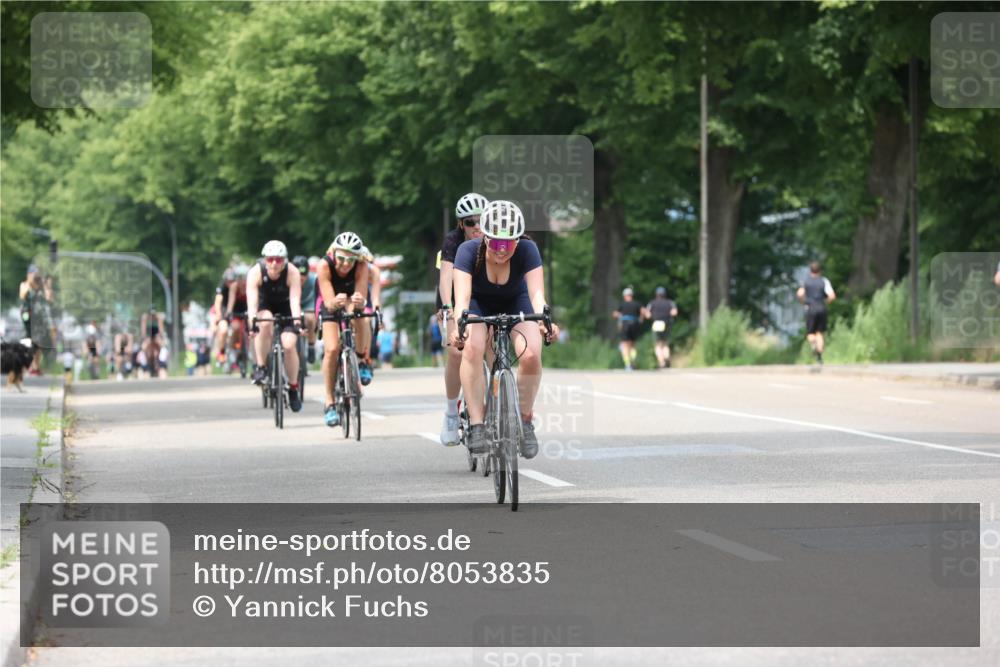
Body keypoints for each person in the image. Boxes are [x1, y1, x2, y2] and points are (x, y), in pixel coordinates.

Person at [451, 200, 560, 459]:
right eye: (497, 243)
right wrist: (460, 327)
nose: (502, 250)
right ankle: (477, 424)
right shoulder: (467, 251)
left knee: (531, 353)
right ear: (485, 237)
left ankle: (524, 419)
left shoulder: (528, 250)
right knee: (473, 348)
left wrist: (546, 322)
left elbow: (536, 294)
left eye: (509, 243)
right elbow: (462, 300)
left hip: (516, 299)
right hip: (478, 302)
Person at [437, 192, 488, 445]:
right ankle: (450, 413)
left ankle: (495, 406)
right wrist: (448, 310)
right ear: (461, 225)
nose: (477, 227)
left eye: (481, 220)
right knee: (457, 352)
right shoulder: (453, 241)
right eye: (470, 222)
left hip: (484, 295)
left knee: (490, 346)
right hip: (455, 297)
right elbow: (446, 276)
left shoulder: (494, 237)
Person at [316, 231, 370, 427]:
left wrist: (358, 302)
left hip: (350, 299)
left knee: (361, 319)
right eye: (341, 258)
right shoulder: (324, 266)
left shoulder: (362, 266)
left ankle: (362, 360)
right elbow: (329, 303)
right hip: (329, 301)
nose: (346, 264)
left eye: (351, 259)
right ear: (334, 254)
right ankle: (329, 402)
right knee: (331, 349)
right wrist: (335, 303)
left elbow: (362, 299)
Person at [247, 240, 304, 412]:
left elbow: (295, 300)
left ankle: (293, 388)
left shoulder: (292, 272)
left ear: (284, 260)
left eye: (278, 260)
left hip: (286, 307)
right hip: (265, 306)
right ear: (265, 259)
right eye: (270, 259)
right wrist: (252, 322)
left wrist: (297, 321)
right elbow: (252, 303)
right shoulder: (255, 272)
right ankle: (261, 367)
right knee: (264, 323)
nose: (274, 264)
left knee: (289, 345)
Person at [797, 261, 836, 364]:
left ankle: (813, 345)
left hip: (810, 307)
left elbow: (800, 293)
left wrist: (803, 301)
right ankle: (819, 356)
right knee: (820, 333)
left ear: (810, 270)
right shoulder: (824, 281)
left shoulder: (806, 281)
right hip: (822, 307)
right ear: (820, 270)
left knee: (810, 333)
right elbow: (832, 296)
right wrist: (825, 302)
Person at [19, 265, 50, 374]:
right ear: (29, 274)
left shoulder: (40, 287)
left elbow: (48, 298)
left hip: (38, 317)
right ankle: (26, 365)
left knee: (39, 342)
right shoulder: (24, 285)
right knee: (28, 340)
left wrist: (45, 285)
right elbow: (23, 295)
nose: (36, 276)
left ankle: (35, 366)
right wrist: (31, 282)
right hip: (27, 316)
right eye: (34, 274)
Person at [643, 287, 678, 369]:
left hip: (656, 323)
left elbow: (647, 314)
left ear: (657, 294)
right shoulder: (670, 302)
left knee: (658, 344)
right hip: (666, 323)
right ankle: (666, 357)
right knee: (665, 343)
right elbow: (674, 312)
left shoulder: (652, 303)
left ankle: (662, 362)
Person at [293, 255, 319, 365]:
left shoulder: (314, 280)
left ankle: (311, 345)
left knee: (310, 319)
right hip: (294, 304)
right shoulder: (288, 279)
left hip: (309, 304)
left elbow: (318, 299)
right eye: (297, 274)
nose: (300, 277)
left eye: (304, 274)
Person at [612, 287, 643, 370]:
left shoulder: (622, 304)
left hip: (625, 324)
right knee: (632, 344)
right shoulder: (637, 304)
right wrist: (641, 319)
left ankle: (627, 364)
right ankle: (633, 362)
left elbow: (615, 314)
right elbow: (643, 312)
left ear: (625, 296)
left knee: (624, 345)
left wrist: (620, 316)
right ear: (632, 295)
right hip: (635, 324)